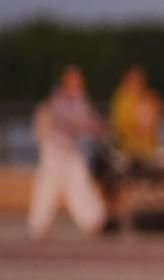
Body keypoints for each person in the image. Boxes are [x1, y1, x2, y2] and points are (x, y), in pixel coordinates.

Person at [28, 65, 108, 239]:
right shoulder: (58, 99)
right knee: (48, 186)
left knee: (79, 182)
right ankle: (38, 225)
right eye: (73, 78)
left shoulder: (81, 99)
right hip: (54, 150)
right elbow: (68, 121)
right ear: (65, 81)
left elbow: (88, 119)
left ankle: (94, 220)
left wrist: (99, 127)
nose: (77, 82)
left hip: (71, 150)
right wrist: (88, 126)